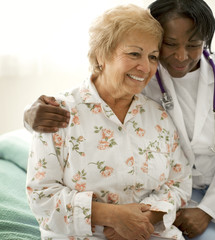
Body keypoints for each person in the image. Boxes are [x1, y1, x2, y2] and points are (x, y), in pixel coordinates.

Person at [24, 0, 215, 239]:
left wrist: (148, 218)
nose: (180, 56)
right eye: (169, 44)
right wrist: (114, 218)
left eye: (192, 44)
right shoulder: (76, 106)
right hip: (169, 202)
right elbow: (94, 94)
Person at [25, 4, 192, 240]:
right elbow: (41, 196)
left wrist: (144, 220)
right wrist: (114, 217)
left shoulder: (159, 117)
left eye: (153, 57)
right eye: (134, 53)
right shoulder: (58, 113)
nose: (145, 67)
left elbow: (180, 183)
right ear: (101, 55)